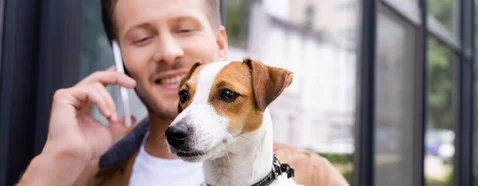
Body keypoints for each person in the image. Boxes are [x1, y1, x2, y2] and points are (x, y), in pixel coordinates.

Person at [16, 0, 349, 185]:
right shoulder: (83, 177)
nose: (169, 52)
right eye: (142, 38)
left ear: (221, 42)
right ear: (120, 57)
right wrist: (58, 161)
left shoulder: (312, 176)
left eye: (185, 29)